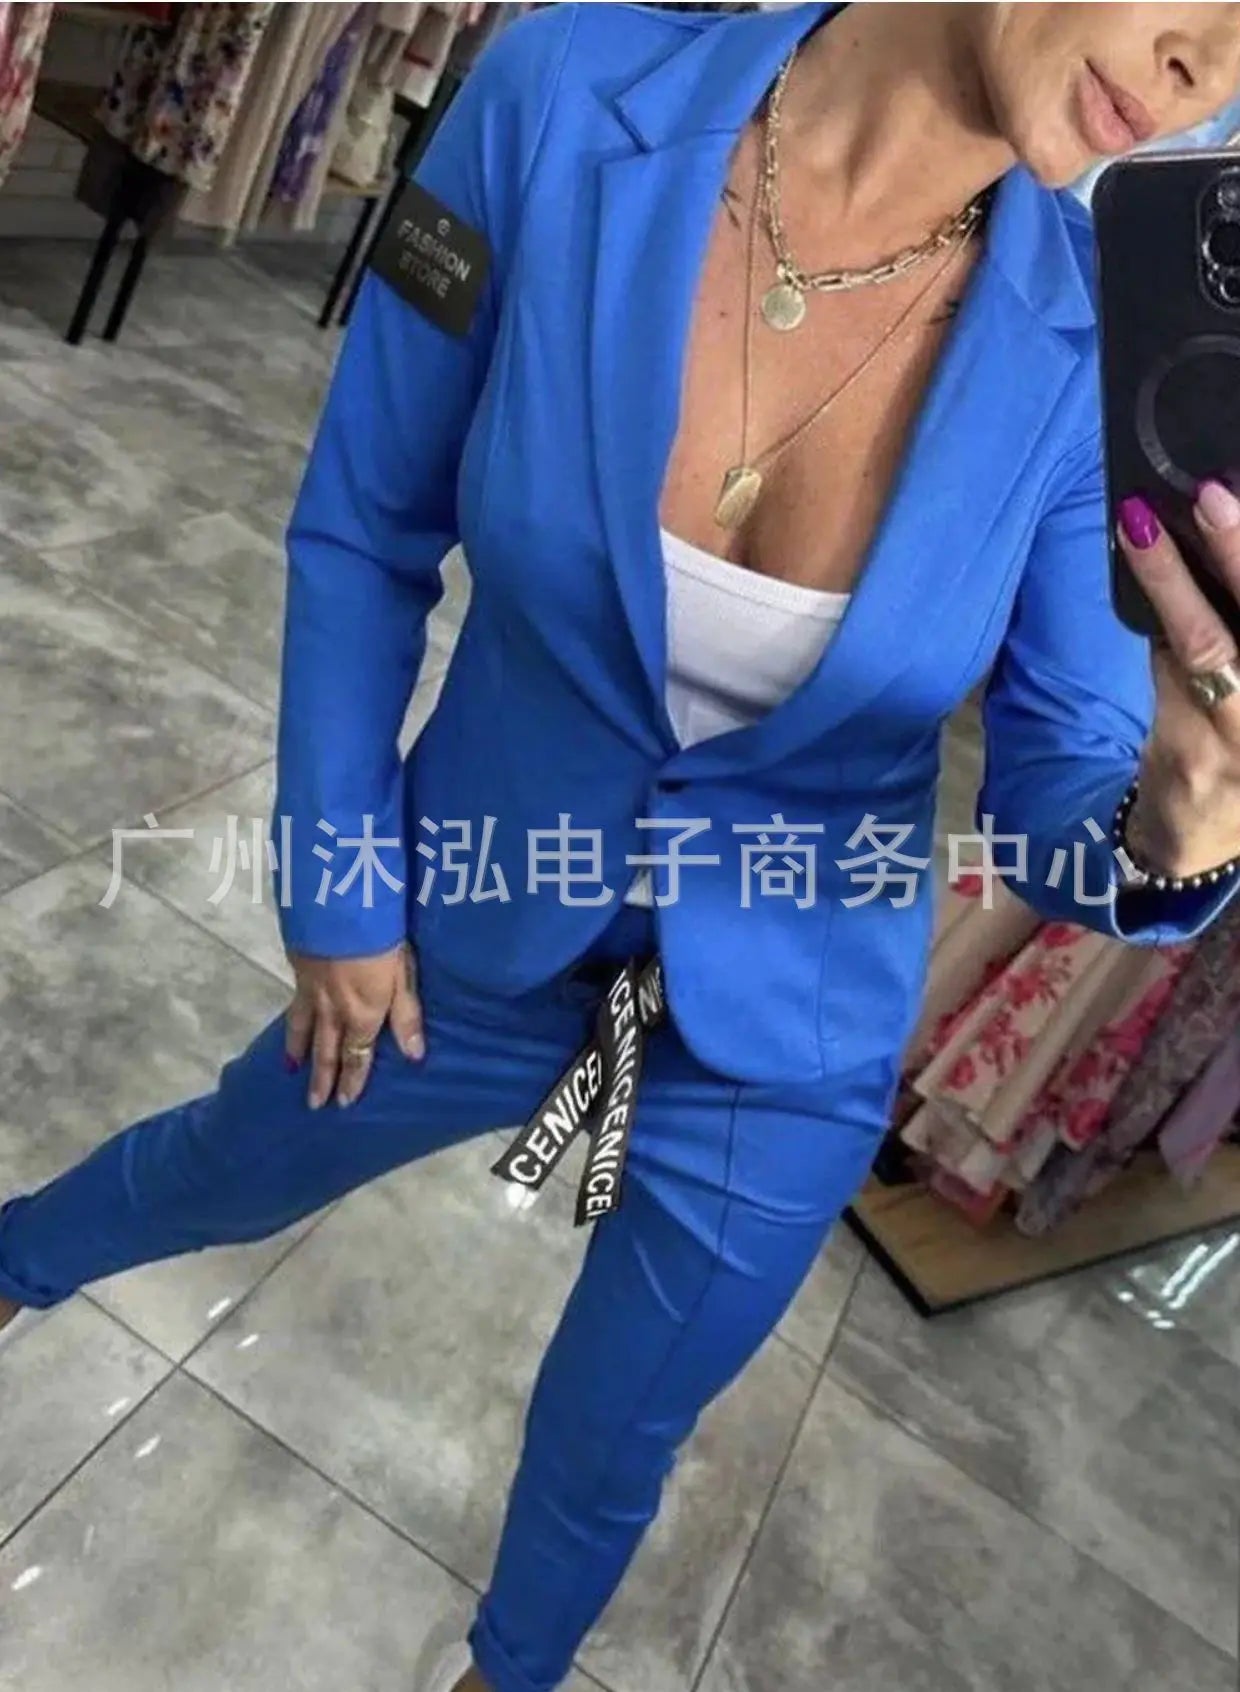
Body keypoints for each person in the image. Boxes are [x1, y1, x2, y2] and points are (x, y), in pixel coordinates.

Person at [6, 5, 1240, 1690]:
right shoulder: (562, 99)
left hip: (786, 1032)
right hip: (469, 911)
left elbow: (1056, 799)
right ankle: (16, 1255)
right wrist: (343, 883)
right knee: (231, 1161)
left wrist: (1178, 824)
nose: (1206, 64)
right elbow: (367, 526)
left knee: (610, 1445)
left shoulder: (1086, 339)